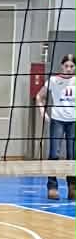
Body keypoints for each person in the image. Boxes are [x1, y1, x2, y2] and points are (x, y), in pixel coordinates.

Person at [41, 51, 76, 201]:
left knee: (72, 155)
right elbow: (40, 96)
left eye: (72, 66)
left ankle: (72, 187)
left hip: (73, 121)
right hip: (57, 120)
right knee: (54, 154)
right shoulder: (53, 80)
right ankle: (52, 187)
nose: (69, 69)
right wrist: (43, 112)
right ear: (62, 66)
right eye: (66, 66)